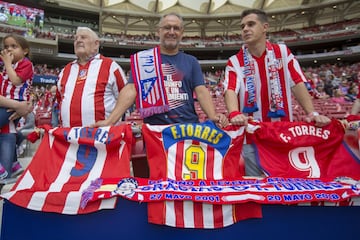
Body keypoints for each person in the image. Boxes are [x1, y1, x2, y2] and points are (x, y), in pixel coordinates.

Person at [223, 9, 331, 176]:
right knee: (258, 188)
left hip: (283, 135)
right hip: (252, 136)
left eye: (251, 24)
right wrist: (234, 113)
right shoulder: (234, 61)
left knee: (286, 183)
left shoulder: (282, 52)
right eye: (242, 26)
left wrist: (313, 113)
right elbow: (230, 89)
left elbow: (297, 83)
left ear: (265, 27)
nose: (245, 29)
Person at [93, 13, 228, 128]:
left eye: (176, 28)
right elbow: (131, 89)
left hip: (188, 128)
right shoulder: (145, 60)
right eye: (167, 28)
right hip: (155, 131)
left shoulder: (191, 61)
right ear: (158, 31)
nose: (171, 32)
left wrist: (212, 115)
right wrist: (110, 121)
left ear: (182, 33)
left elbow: (201, 91)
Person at [56, 26, 127, 127]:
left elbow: (125, 98)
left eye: (83, 37)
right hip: (69, 138)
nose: (78, 40)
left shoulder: (110, 66)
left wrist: (111, 120)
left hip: (102, 137)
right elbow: (60, 99)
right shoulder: (65, 71)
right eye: (76, 39)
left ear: (96, 44)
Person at [0, 34, 34, 180]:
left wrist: (7, 63)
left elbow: (15, 81)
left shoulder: (25, 64)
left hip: (11, 105)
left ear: (25, 51)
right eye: (6, 47)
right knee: (12, 133)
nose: (9, 50)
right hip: (12, 105)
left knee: (11, 133)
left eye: (13, 46)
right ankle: (13, 164)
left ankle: (6, 167)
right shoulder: (9, 67)